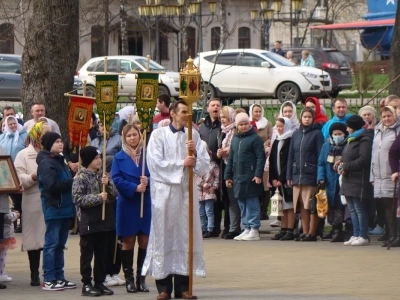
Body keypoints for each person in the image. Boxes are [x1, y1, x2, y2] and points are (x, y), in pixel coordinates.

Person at [143, 100, 209, 300]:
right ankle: (163, 287)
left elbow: (204, 167)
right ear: (172, 113)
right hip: (164, 194)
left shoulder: (194, 136)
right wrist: (182, 163)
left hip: (186, 194)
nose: (187, 115)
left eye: (189, 112)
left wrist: (195, 154)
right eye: (183, 112)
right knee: (164, 235)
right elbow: (154, 164)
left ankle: (183, 287)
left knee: (185, 235)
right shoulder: (158, 135)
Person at [111, 123, 151, 294]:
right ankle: (129, 279)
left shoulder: (148, 155)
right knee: (128, 240)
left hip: (146, 201)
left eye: (135, 134)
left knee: (144, 240)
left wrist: (148, 181)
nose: (132, 138)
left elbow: (156, 173)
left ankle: (141, 278)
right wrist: (135, 188)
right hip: (128, 202)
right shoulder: (118, 158)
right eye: (129, 136)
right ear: (124, 138)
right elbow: (117, 179)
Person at [73, 146, 117, 296]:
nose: (99, 161)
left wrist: (108, 183)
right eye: (96, 158)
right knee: (87, 253)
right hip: (88, 222)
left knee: (102, 253)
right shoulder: (80, 177)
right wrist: (98, 197)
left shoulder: (102, 176)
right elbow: (77, 198)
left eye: (100, 158)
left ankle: (99, 281)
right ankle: (86, 283)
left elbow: (114, 195)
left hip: (104, 221)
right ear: (88, 160)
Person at [36, 132, 76, 291]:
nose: (61, 144)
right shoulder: (47, 163)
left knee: (60, 245)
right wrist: (72, 182)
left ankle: (59, 276)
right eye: (57, 141)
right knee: (51, 244)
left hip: (65, 208)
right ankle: (49, 278)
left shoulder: (60, 160)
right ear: (49, 144)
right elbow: (51, 186)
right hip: (55, 207)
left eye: (61, 141)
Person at [14, 121, 51, 286]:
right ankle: (34, 273)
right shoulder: (23, 154)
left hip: (51, 200)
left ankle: (49, 272)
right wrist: (33, 177)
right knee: (34, 239)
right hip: (33, 199)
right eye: (45, 133)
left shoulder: (53, 153)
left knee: (50, 238)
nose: (48, 136)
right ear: (36, 134)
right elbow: (17, 177)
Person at [225, 112, 266, 241]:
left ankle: (254, 229)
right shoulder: (235, 140)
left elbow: (261, 157)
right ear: (237, 126)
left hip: (251, 176)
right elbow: (231, 159)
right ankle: (247, 227)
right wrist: (228, 175)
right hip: (238, 176)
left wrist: (258, 174)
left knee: (252, 202)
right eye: (241, 124)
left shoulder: (255, 139)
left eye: (245, 124)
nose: (243, 126)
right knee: (242, 202)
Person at [287, 107, 324, 241]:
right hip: (297, 175)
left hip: (311, 174)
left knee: (311, 205)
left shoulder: (317, 133)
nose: (307, 119)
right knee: (301, 205)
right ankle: (305, 231)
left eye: (309, 117)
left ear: (313, 118)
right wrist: (289, 176)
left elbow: (321, 155)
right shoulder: (296, 134)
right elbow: (291, 155)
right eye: (305, 117)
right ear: (301, 118)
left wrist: (320, 175)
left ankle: (312, 233)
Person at [340, 115, 373, 246]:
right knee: (352, 209)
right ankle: (356, 233)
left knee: (359, 208)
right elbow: (347, 156)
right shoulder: (351, 139)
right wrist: (340, 164)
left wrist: (347, 166)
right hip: (348, 177)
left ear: (353, 126)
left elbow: (364, 159)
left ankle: (363, 235)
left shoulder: (364, 139)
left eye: (348, 126)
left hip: (358, 178)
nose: (346, 128)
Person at [371, 106, 400, 247]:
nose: (387, 119)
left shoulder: (397, 130)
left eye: (389, 116)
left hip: (391, 174)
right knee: (385, 207)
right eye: (384, 116)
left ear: (394, 116)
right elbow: (373, 153)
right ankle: (390, 234)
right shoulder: (378, 130)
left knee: (393, 207)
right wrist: (372, 175)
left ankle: (395, 235)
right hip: (379, 175)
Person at [317, 122, 349, 242]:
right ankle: (336, 229)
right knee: (333, 206)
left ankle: (347, 229)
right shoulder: (326, 146)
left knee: (344, 206)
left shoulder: (347, 145)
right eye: (335, 134)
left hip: (343, 180)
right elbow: (321, 163)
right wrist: (321, 177)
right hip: (330, 181)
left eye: (339, 134)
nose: (337, 136)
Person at [199, 99, 224, 238]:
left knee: (216, 197)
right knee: (204, 201)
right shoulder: (203, 126)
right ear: (208, 108)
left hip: (218, 164)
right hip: (204, 167)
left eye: (218, 106)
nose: (215, 108)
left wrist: (214, 155)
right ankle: (205, 227)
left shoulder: (222, 125)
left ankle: (215, 227)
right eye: (213, 105)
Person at [217, 106, 241, 239]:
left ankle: (234, 227)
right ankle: (231, 227)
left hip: (233, 168)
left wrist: (228, 150)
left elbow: (237, 148)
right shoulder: (223, 131)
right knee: (228, 199)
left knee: (234, 199)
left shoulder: (235, 131)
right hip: (225, 166)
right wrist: (219, 152)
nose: (223, 120)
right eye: (221, 118)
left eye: (225, 117)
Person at [0, 116, 28, 233]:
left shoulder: (24, 136)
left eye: (14, 123)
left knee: (19, 197)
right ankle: (12, 220)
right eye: (10, 124)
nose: (12, 126)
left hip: (17, 169)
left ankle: (21, 221)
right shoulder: (2, 138)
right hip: (5, 171)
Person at [269, 117, 295, 240]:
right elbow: (273, 160)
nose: (279, 129)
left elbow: (287, 162)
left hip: (285, 179)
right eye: (277, 126)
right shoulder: (277, 140)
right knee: (282, 206)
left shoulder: (290, 140)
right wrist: (273, 178)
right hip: (277, 180)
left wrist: (281, 178)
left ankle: (290, 229)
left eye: (281, 126)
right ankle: (283, 229)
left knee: (289, 205)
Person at [249, 104, 272, 221]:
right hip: (251, 157)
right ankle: (255, 209)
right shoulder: (248, 124)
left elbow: (270, 137)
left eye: (259, 111)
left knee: (265, 185)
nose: (257, 113)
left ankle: (264, 210)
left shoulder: (267, 123)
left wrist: (264, 145)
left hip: (264, 156)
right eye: (255, 111)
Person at [196, 141, 219, 238]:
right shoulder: (197, 164)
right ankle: (203, 228)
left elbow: (217, 177)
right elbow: (196, 176)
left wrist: (213, 186)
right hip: (199, 192)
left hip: (209, 192)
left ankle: (210, 228)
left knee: (209, 211)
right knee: (200, 212)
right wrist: (202, 184)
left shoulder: (213, 165)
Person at [0, 198, 19, 284]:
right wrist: (15, 214)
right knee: (2, 255)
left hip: (4, 231)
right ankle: (1, 273)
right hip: (5, 233)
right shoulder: (4, 201)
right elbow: (7, 216)